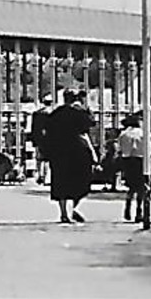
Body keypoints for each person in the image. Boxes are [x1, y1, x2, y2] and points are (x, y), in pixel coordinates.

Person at [45, 88, 96, 224]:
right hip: (76, 150)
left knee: (60, 181)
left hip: (59, 151)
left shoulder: (55, 114)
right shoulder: (78, 113)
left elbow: (48, 132)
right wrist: (87, 108)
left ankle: (63, 213)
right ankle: (74, 207)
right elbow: (89, 125)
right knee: (81, 180)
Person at [116, 112, 146, 222]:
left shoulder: (123, 134)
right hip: (140, 160)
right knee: (141, 188)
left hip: (127, 161)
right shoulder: (143, 133)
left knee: (131, 187)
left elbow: (119, 149)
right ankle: (139, 210)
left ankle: (127, 207)